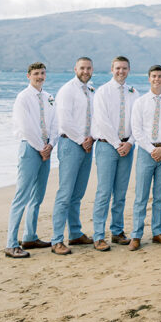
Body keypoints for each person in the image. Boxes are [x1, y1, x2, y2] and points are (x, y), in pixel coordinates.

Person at [5, 62, 58, 258]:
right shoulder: (23, 97)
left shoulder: (49, 97)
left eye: (43, 73)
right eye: (36, 73)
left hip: (46, 149)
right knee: (22, 196)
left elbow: (55, 123)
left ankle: (30, 236)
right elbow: (26, 127)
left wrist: (50, 145)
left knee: (38, 197)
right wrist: (40, 148)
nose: (40, 76)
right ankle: (11, 244)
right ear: (28, 76)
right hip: (30, 148)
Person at [91, 55, 139, 251]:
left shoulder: (134, 92)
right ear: (112, 69)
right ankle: (98, 235)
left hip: (128, 146)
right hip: (107, 146)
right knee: (104, 191)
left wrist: (130, 143)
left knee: (120, 192)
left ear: (129, 70)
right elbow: (102, 120)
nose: (121, 71)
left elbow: (138, 121)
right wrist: (118, 143)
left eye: (124, 68)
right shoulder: (102, 92)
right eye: (118, 68)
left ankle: (117, 231)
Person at [50, 56, 95, 255]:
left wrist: (91, 138)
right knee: (65, 194)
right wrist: (81, 140)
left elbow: (96, 117)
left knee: (78, 193)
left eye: (89, 68)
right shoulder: (67, 90)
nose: (85, 71)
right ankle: (56, 239)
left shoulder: (91, 90)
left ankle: (75, 233)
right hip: (71, 144)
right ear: (75, 68)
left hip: (87, 144)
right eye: (82, 68)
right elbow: (64, 121)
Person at [128, 65, 161, 250]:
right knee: (141, 195)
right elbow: (136, 129)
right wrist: (150, 149)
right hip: (146, 153)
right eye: (154, 76)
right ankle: (136, 235)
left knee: (160, 195)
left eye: (160, 76)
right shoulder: (140, 102)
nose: (157, 79)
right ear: (149, 78)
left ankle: (157, 232)